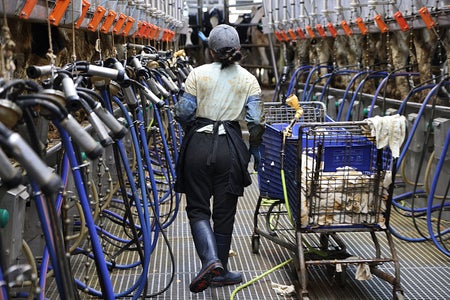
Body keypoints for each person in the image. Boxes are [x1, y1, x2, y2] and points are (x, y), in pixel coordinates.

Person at [173, 24, 265, 293]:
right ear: (239, 50)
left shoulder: (196, 74)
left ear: (210, 50)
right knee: (225, 214)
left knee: (198, 208)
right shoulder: (249, 79)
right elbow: (256, 122)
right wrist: (256, 150)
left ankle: (210, 261)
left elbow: (183, 112)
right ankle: (218, 270)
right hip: (231, 149)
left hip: (197, 146)